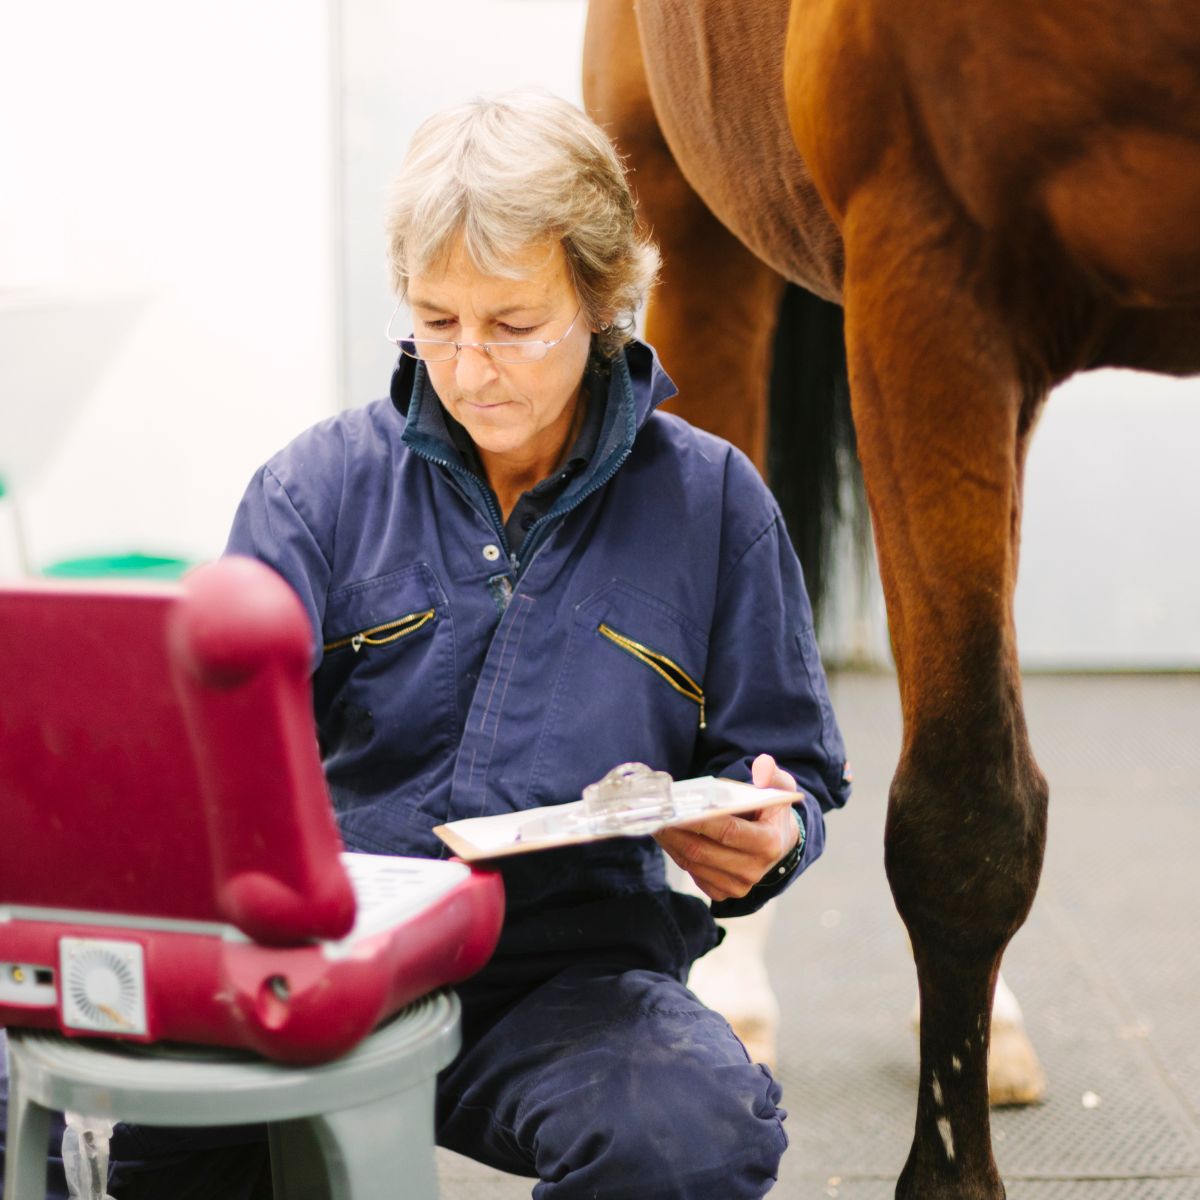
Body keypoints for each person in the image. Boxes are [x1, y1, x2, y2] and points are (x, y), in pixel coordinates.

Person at [0, 90, 850, 1200]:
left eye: (512, 324)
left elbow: (785, 763)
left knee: (689, 1137)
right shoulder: (317, 489)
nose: (471, 366)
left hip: (570, 973)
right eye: (436, 321)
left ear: (603, 303)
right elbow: (208, 763)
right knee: (148, 1150)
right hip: (321, 959)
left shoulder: (713, 504)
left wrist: (771, 833)